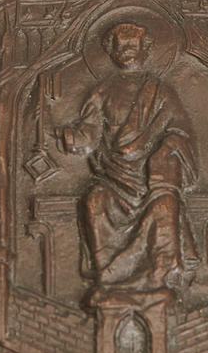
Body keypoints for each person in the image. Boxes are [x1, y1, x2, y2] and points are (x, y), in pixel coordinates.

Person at [58, 22, 199, 296]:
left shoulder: (161, 92)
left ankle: (160, 271)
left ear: (145, 50)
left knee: (164, 205)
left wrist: (165, 147)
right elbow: (89, 135)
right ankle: (109, 276)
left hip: (153, 177)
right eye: (121, 47)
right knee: (94, 200)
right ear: (112, 52)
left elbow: (180, 129)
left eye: (133, 46)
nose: (127, 51)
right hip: (115, 176)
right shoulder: (102, 92)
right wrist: (69, 136)